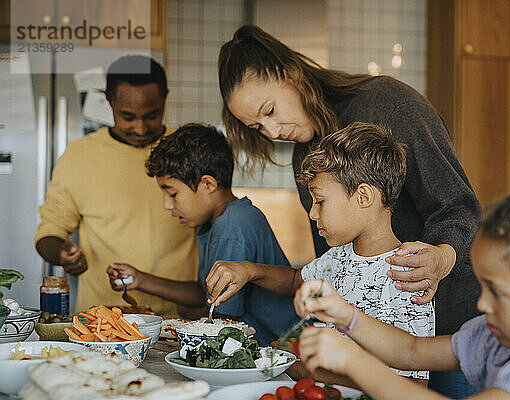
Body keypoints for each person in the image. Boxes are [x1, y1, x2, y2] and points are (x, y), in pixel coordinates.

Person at [219, 25, 480, 395]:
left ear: (290, 75)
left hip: (448, 326)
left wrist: (441, 257)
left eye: (271, 111)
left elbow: (458, 204)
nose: (272, 131)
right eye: (258, 126)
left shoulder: (385, 103)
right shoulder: (305, 153)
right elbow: (331, 263)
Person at [294, 181, 510, 399]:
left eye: (498, 292)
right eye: (484, 287)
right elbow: (410, 351)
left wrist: (353, 362)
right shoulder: (493, 337)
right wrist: (346, 315)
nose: (482, 304)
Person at [206, 122, 434, 384]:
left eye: (321, 201)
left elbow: (412, 386)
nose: (313, 213)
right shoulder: (339, 256)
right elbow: (295, 280)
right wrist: (249, 270)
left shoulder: (410, 275)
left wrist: (301, 366)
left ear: (363, 196)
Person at [34, 55, 197, 315]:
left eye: (152, 115)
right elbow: (48, 233)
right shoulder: (80, 156)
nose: (141, 127)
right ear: (108, 100)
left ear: (165, 97)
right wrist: (63, 253)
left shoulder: (188, 150)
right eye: (128, 116)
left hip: (178, 322)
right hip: (101, 321)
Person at [106, 123, 297, 345]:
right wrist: (139, 279)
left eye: (173, 194)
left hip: (279, 348)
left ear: (208, 184)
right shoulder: (211, 222)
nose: (167, 205)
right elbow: (205, 292)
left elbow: (224, 321)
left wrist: (178, 316)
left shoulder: (232, 226)